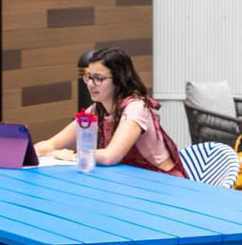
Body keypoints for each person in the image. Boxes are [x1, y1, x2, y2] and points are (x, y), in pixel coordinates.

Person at [34, 47, 185, 177]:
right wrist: (31, 152)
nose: (91, 84)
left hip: (161, 182)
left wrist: (72, 156)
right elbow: (53, 143)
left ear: (119, 80)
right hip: (130, 180)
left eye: (99, 78)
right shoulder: (96, 109)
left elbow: (110, 156)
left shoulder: (136, 108)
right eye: (89, 77)